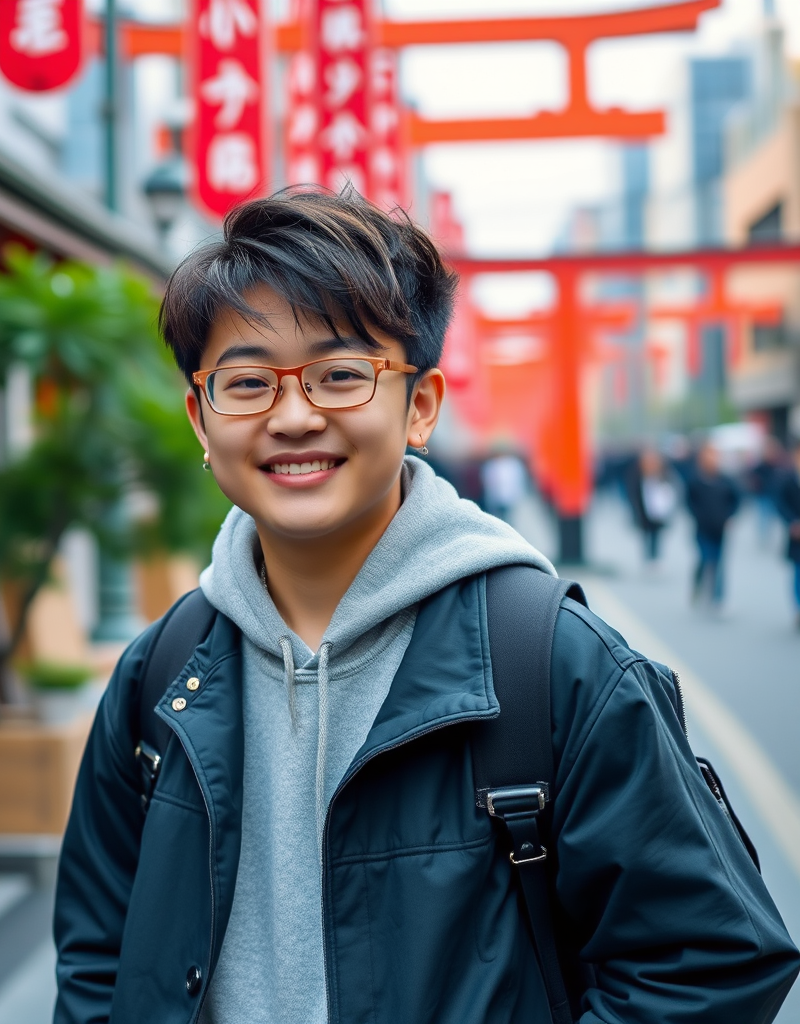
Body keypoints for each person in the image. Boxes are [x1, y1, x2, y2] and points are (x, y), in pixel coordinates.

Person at [53, 188, 798, 1024]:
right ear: (201, 417)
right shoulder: (160, 673)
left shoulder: (552, 663)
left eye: (340, 375)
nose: (294, 416)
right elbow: (97, 957)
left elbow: (712, 957)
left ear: (421, 406)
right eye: (248, 381)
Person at [686, 441, 740, 609]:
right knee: (704, 559)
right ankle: (698, 586)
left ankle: (717, 598)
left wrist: (730, 516)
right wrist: (698, 516)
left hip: (721, 529)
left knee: (719, 563)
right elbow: (689, 501)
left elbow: (737, 499)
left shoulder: (726, 480)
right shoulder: (696, 480)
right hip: (702, 529)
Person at [625, 447, 677, 562]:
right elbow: (633, 492)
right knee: (646, 533)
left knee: (656, 534)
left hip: (658, 509)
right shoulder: (638, 474)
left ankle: (655, 555)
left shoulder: (663, 473)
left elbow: (669, 489)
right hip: (644, 509)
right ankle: (648, 555)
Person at [778, 440, 800, 629]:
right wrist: (791, 522)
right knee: (798, 573)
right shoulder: (788, 478)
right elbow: (780, 503)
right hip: (796, 535)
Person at [480, 449, 527, 522]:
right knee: (499, 515)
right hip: (497, 496)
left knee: (508, 515)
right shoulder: (491, 465)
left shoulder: (512, 464)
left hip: (508, 496)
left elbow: (517, 480)